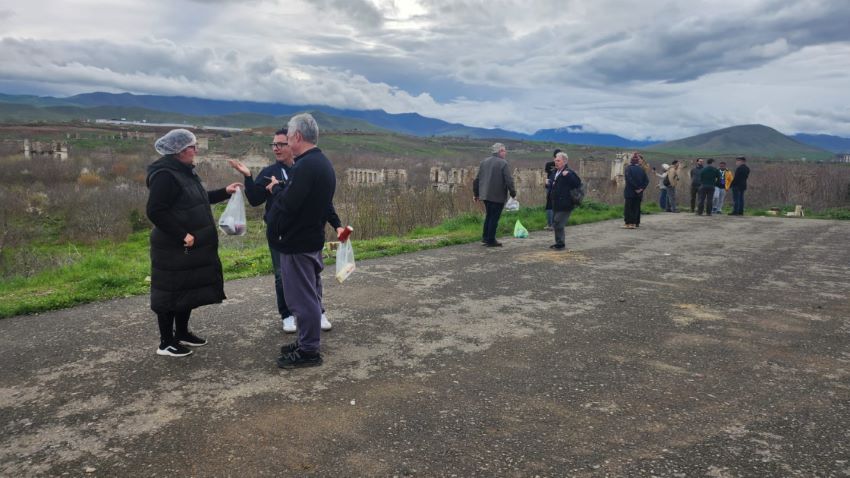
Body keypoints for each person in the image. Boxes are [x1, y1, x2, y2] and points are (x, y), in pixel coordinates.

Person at [228, 129, 342, 333]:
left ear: (292, 143)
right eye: (274, 145)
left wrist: (337, 224)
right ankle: (288, 315)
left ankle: (318, 311)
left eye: (281, 144)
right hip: (279, 233)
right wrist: (248, 177)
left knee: (312, 273)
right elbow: (255, 199)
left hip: (306, 231)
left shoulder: (306, 167)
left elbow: (323, 201)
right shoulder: (270, 172)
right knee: (282, 275)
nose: (276, 148)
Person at [146, 129, 242, 357]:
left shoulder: (184, 171)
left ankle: (181, 333)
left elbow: (197, 199)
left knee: (186, 290)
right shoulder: (165, 175)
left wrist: (224, 192)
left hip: (188, 247)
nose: (195, 150)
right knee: (169, 293)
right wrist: (182, 234)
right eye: (192, 147)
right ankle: (166, 343)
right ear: (179, 150)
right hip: (173, 247)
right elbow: (155, 211)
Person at [267, 113, 337, 369]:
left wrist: (276, 189)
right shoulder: (320, 163)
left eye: (287, 137)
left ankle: (309, 351)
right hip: (309, 239)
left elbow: (289, 204)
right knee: (309, 294)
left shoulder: (305, 166)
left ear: (297, 136)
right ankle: (305, 341)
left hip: (298, 243)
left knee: (301, 299)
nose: (285, 142)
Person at [473, 143, 516, 247]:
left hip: (485, 195)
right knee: (494, 218)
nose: (505, 153)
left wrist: (476, 193)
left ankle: (485, 237)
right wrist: (513, 192)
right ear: (500, 151)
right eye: (504, 150)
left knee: (489, 216)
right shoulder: (503, 163)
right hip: (497, 195)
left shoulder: (484, 162)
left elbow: (477, 179)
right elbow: (509, 180)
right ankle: (491, 240)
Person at [548, 152, 582, 249]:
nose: (556, 162)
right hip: (555, 203)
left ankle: (560, 243)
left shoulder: (569, 172)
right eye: (555, 160)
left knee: (558, 222)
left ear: (564, 162)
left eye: (558, 161)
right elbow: (553, 185)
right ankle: (559, 243)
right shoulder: (554, 172)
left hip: (566, 203)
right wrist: (548, 183)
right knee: (556, 223)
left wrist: (568, 176)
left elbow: (577, 183)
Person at [623, 152, 649, 229]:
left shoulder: (628, 169)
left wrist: (636, 188)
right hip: (639, 193)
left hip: (630, 192)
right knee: (636, 208)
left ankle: (628, 223)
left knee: (629, 208)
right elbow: (646, 181)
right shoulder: (642, 170)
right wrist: (641, 188)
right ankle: (635, 223)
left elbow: (629, 180)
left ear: (631, 161)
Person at [544, 149, 559, 230]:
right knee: (552, 205)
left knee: (550, 205)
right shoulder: (562, 165)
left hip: (550, 186)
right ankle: (553, 224)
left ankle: (551, 224)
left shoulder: (548, 164)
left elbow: (546, 173)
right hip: (555, 186)